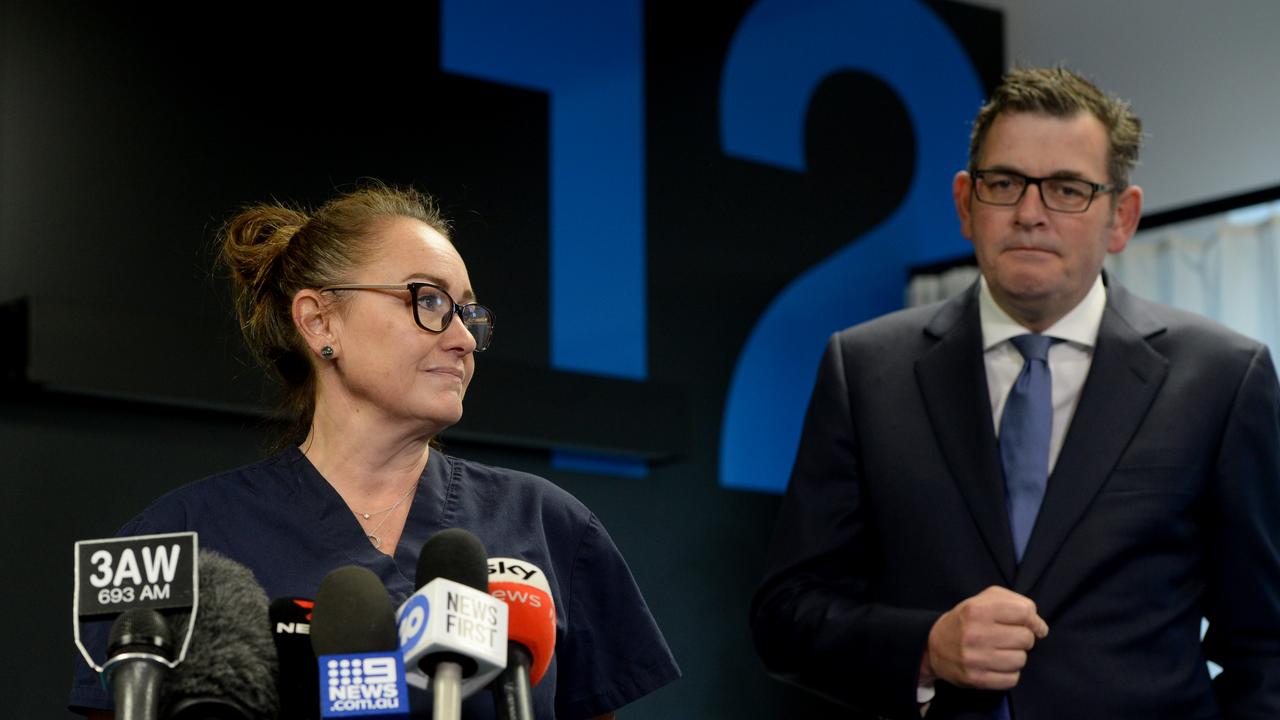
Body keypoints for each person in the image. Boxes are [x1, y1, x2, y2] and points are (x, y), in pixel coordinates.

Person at [750, 66, 1280, 719]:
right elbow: (786, 616)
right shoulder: (864, 369)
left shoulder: (1223, 375)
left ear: (1122, 217)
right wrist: (925, 647)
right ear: (966, 203)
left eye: (1067, 189)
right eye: (1005, 184)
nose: (1030, 214)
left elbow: (1267, 646)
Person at [70, 182, 680, 719]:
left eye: (468, 313)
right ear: (319, 322)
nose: (465, 338)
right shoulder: (180, 541)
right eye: (429, 300)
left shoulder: (548, 526)